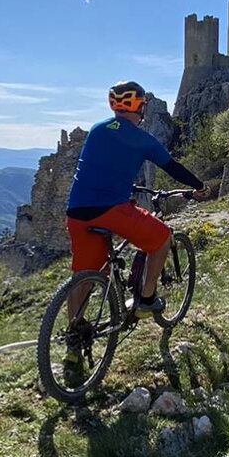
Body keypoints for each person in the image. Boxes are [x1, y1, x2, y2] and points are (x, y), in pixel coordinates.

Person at [65, 81, 210, 321]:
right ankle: (146, 299)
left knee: (84, 275)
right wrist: (199, 186)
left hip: (76, 211)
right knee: (162, 237)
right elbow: (173, 168)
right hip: (111, 209)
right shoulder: (142, 139)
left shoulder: (97, 129)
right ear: (140, 107)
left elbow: (99, 167)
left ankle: (74, 334)